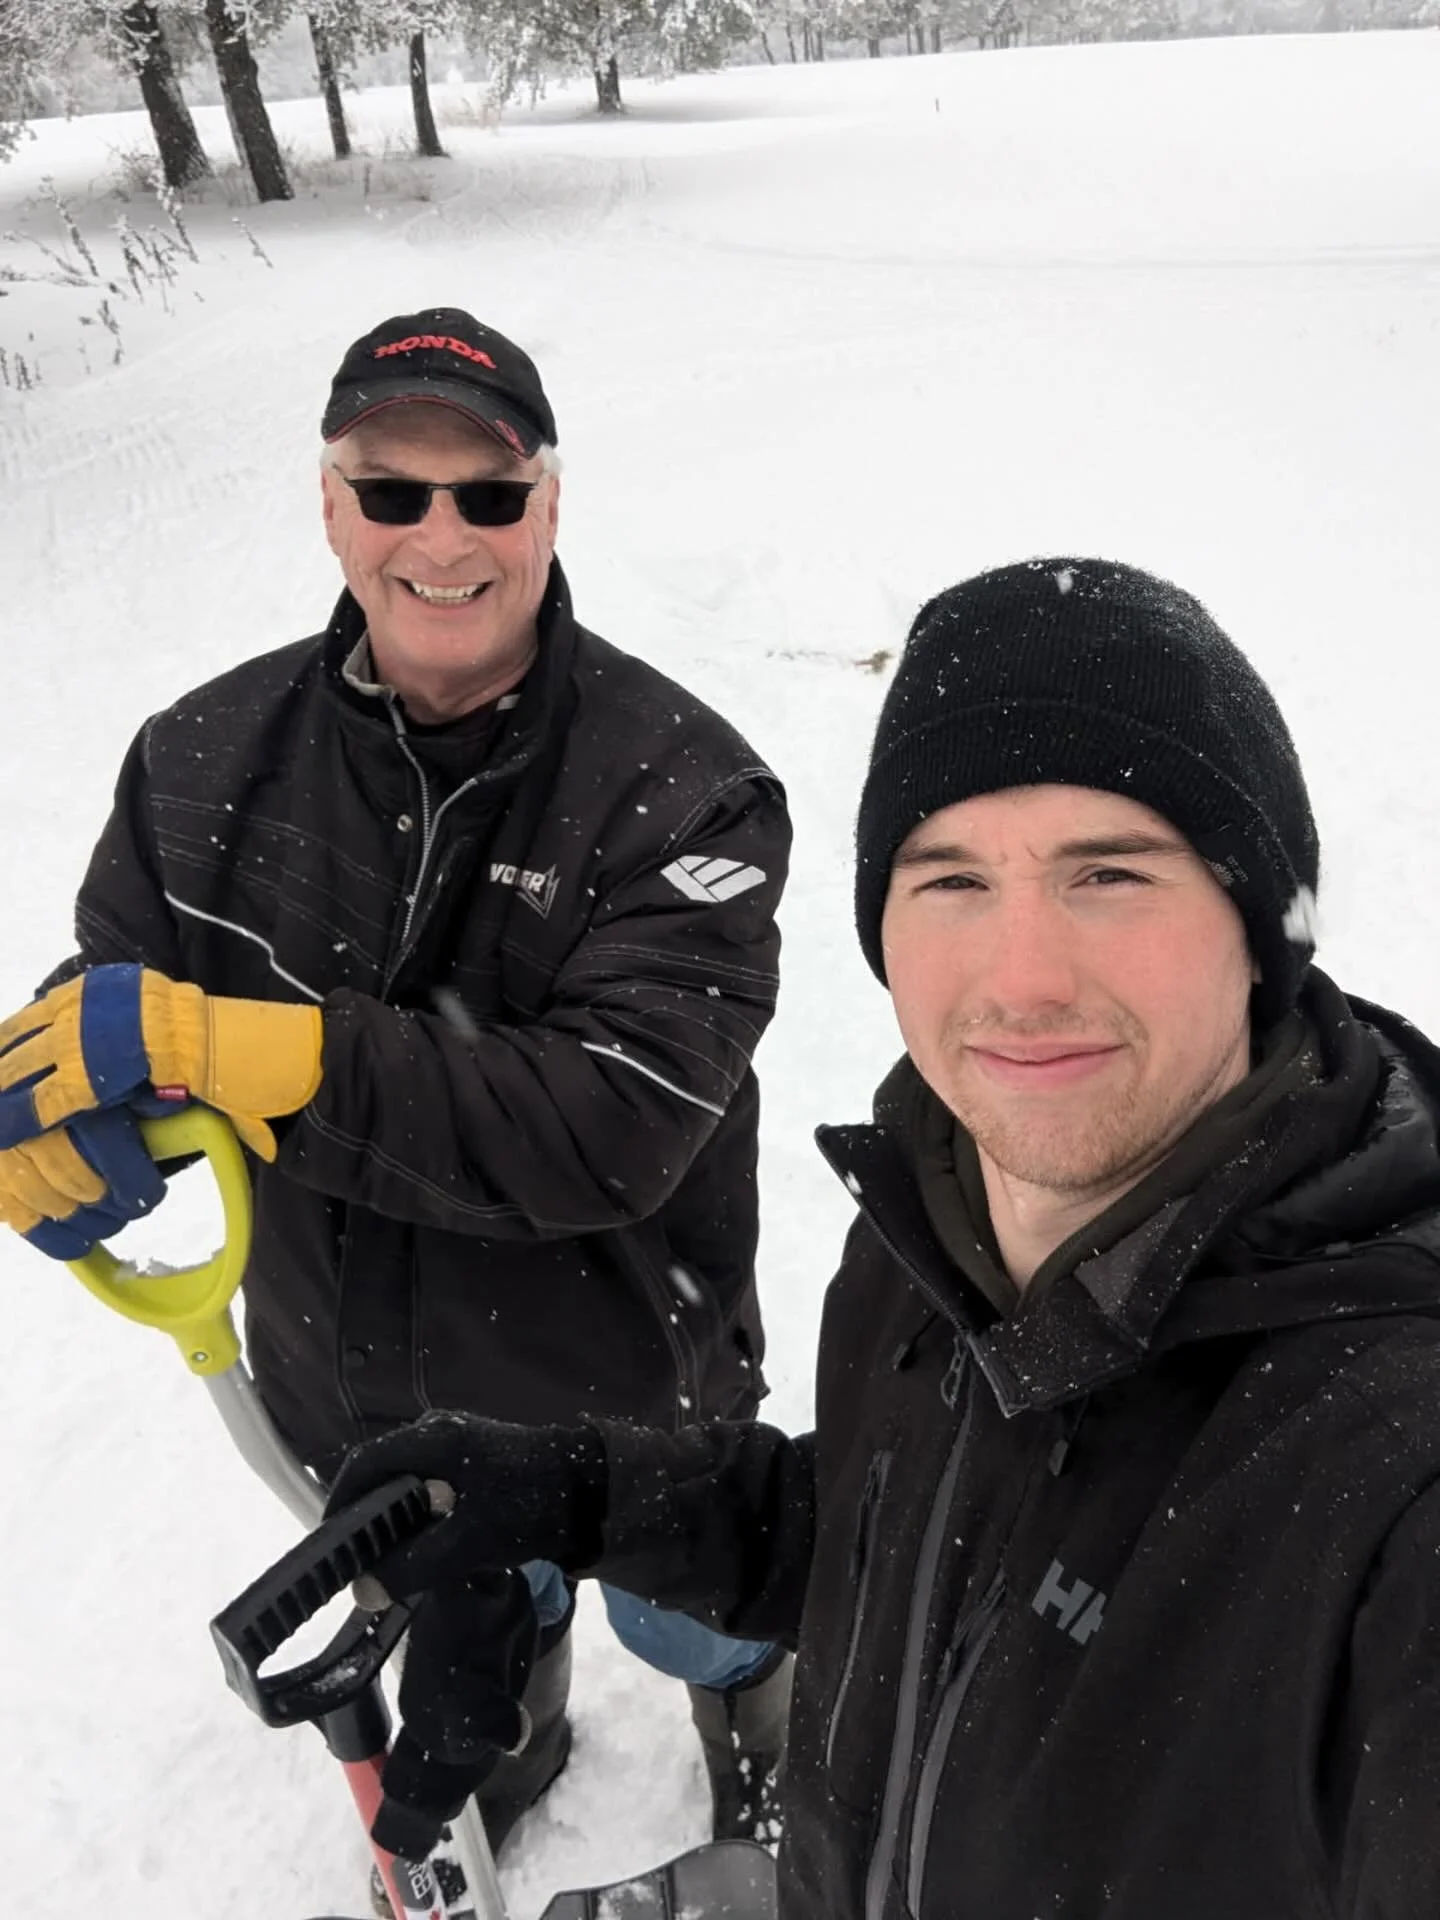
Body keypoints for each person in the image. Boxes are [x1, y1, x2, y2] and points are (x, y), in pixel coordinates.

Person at [330, 556, 1440, 1919]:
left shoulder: (1390, 1464)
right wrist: (577, 1497)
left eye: (1110, 872)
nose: (1023, 979)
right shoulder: (941, 1219)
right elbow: (906, 1534)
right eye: (952, 879)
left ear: (1262, 923)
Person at [0, 308, 796, 1881]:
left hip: (625, 1376)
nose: (443, 538)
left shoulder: (686, 789)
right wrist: (61, 1112)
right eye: (393, 491)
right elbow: (109, 997)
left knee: (686, 1599)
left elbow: (612, 1120)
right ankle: (520, 1711)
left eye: (488, 497)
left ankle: (753, 1725)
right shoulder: (201, 761)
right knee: (470, 1593)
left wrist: (259, 1053)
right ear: (329, 502)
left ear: (550, 505)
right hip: (343, 1376)